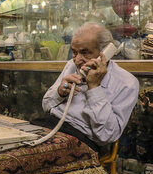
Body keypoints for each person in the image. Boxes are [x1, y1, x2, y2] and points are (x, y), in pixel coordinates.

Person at [40, 22, 139, 151]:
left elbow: (107, 136)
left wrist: (94, 87)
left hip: (82, 140)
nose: (77, 60)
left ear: (105, 52)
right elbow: (45, 105)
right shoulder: (71, 65)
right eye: (74, 52)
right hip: (49, 125)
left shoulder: (127, 83)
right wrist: (60, 93)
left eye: (85, 53)